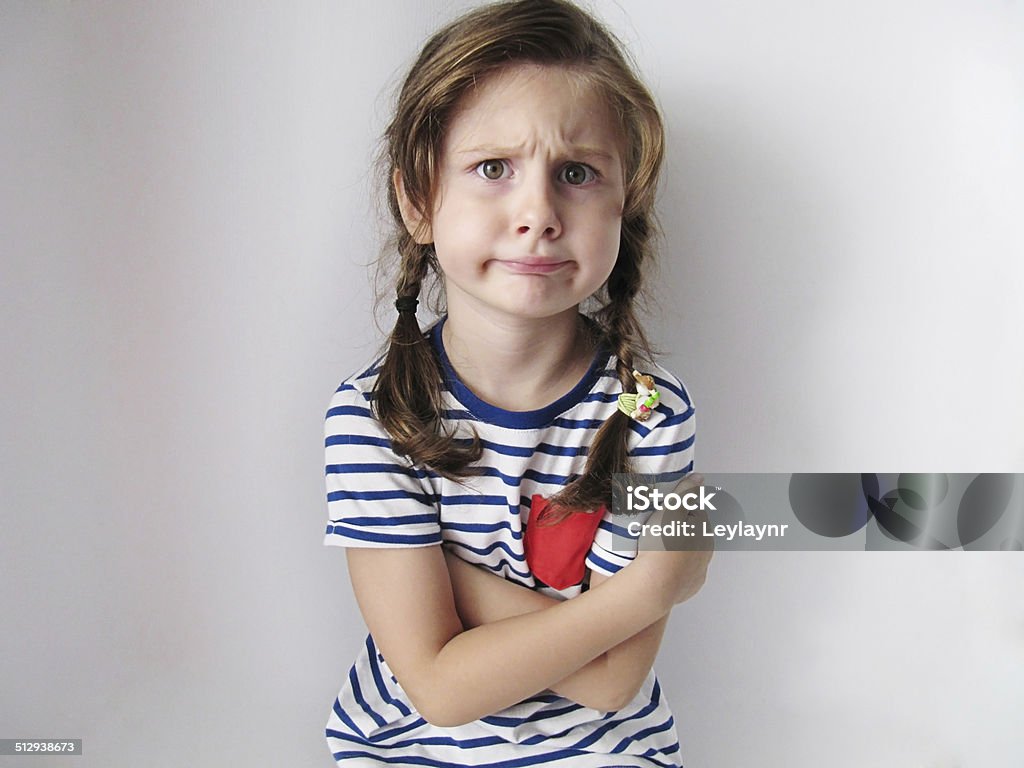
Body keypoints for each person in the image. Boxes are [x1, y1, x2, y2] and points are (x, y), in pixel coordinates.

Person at [322, 1, 710, 764]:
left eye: (576, 173)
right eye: (493, 168)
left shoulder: (652, 413)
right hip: (405, 749)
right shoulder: (375, 414)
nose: (537, 212)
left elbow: (610, 685)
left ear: (623, 205)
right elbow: (439, 691)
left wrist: (447, 581)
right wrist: (647, 590)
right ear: (417, 201)